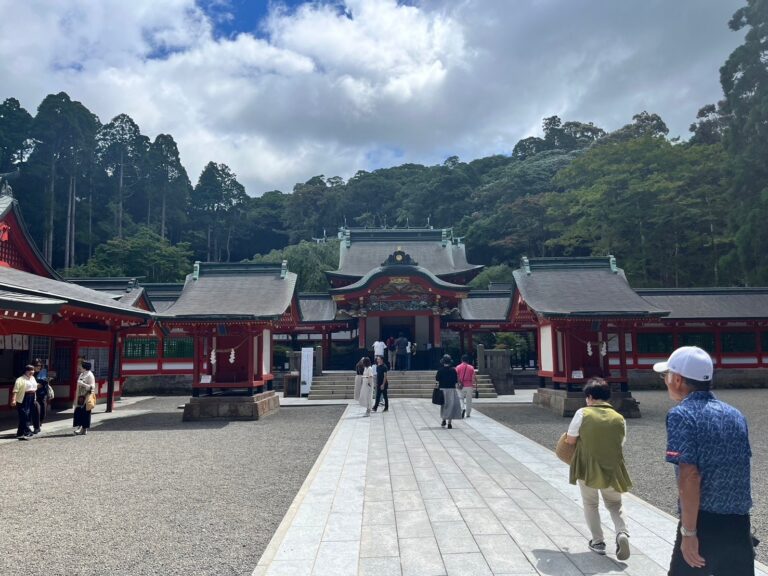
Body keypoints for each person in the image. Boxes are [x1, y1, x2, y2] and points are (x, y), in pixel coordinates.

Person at [654, 346, 754, 575]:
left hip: (704, 522)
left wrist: (689, 533)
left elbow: (690, 475)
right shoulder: (735, 414)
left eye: (666, 375)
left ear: (677, 379)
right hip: (739, 523)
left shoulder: (682, 414)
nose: (665, 380)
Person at [565, 377, 631, 560]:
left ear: (590, 397)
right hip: (613, 468)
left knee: (590, 503)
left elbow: (570, 440)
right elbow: (621, 442)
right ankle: (622, 533)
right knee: (615, 505)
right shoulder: (619, 418)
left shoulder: (583, 413)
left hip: (587, 466)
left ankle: (598, 541)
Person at [11, 365, 37, 440]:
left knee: (28, 415)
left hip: (32, 397)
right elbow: (15, 390)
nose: (32, 372)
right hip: (23, 397)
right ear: (25, 371)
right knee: (24, 414)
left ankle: (20, 433)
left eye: (33, 370)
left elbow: (34, 388)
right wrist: (13, 399)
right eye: (30, 370)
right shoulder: (20, 379)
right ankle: (27, 431)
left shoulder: (33, 378)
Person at [436, 354, 461, 429]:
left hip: (442, 390)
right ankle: (449, 423)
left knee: (444, 405)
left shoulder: (440, 370)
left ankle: (443, 419)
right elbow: (456, 380)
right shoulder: (453, 370)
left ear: (443, 362)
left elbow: (437, 379)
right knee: (451, 406)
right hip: (451, 390)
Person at [73, 361, 96, 436]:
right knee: (79, 412)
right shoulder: (82, 374)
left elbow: (92, 387)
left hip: (86, 396)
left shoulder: (90, 375)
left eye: (81, 366)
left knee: (85, 413)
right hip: (80, 396)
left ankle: (84, 428)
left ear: (84, 367)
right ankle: (80, 428)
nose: (79, 367)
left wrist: (83, 384)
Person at [33, 359, 50, 432]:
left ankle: (40, 422)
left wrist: (43, 383)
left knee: (43, 409)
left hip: (42, 393)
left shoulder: (43, 371)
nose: (38, 367)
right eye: (37, 365)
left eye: (39, 365)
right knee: (36, 410)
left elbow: (45, 381)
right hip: (34, 393)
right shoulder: (31, 372)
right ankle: (36, 426)